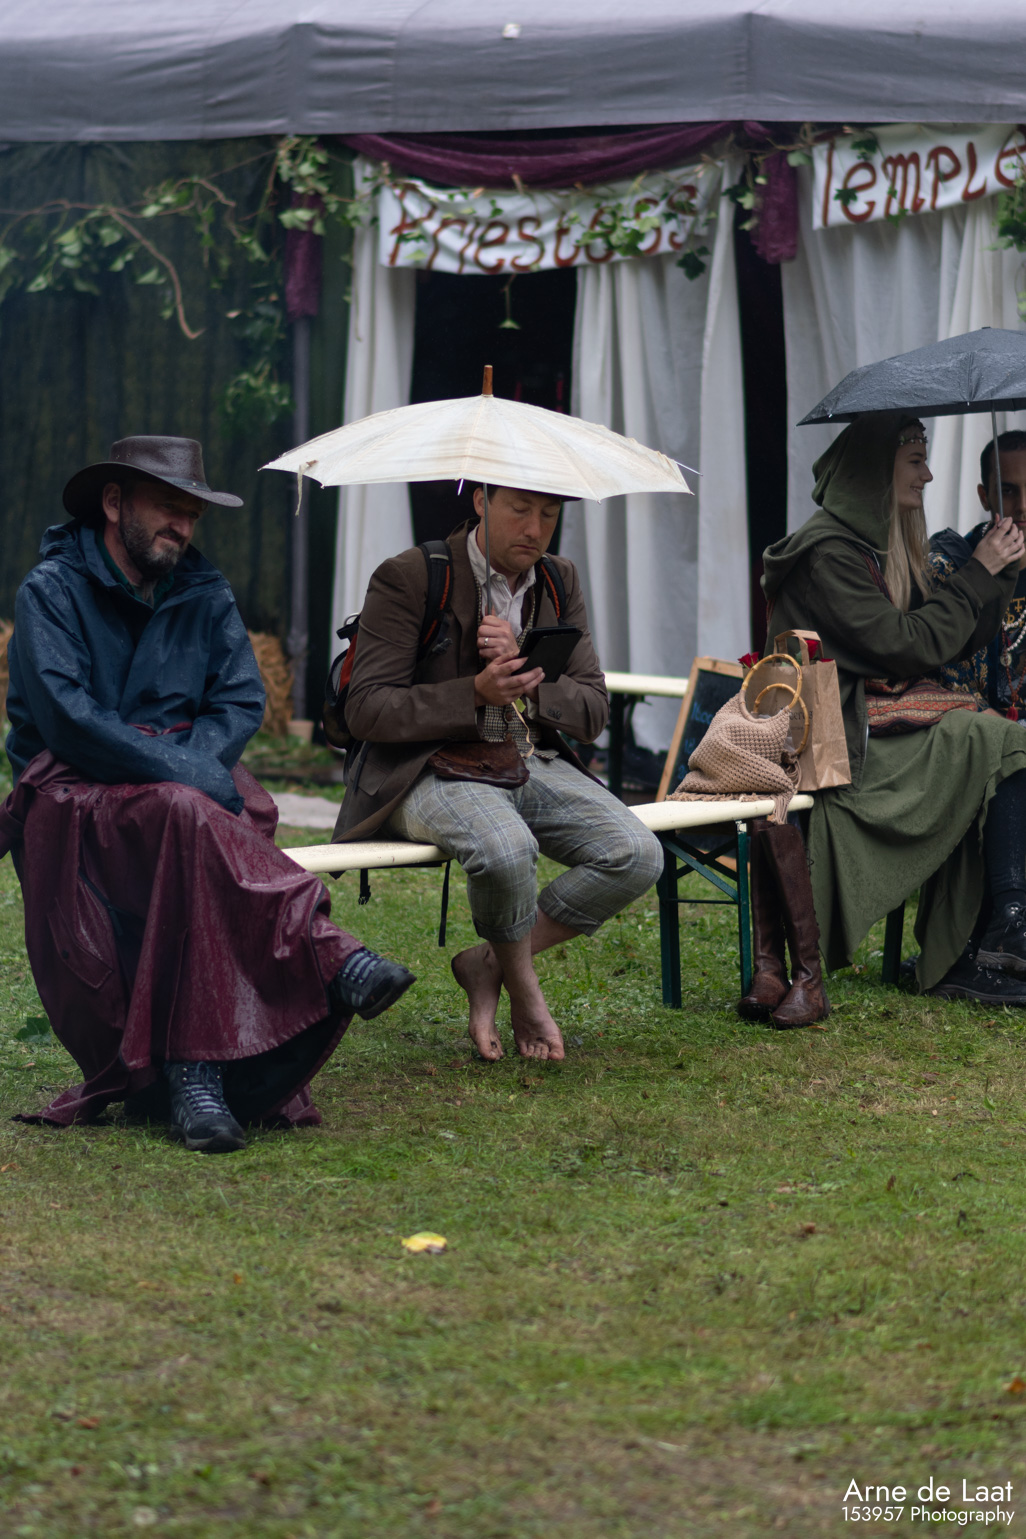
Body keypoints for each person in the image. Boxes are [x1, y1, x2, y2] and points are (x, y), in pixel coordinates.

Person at [0, 436, 414, 1152]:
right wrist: (182, 774)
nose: (183, 526)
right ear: (114, 502)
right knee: (190, 811)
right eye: (169, 507)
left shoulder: (205, 590)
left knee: (197, 819)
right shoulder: (50, 591)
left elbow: (239, 699)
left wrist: (186, 768)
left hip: (182, 794)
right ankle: (325, 952)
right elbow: (69, 721)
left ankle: (197, 1074)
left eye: (192, 513)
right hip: (74, 793)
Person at [333, 484, 664, 1061]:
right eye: (520, 509)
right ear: (481, 501)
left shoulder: (558, 579)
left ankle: (487, 964)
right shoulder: (411, 575)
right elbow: (366, 709)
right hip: (424, 766)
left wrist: (527, 677)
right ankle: (526, 993)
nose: (535, 529)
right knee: (506, 848)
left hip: (522, 756)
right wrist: (475, 692)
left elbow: (592, 711)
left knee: (635, 853)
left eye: (549, 514)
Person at [761, 411, 1026, 1004]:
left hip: (873, 724)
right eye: (915, 461)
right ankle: (1002, 932)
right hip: (841, 744)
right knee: (1000, 745)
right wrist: (978, 571)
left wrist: (999, 573)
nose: (927, 475)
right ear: (877, 469)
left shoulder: (869, 545)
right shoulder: (829, 553)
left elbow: (953, 638)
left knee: (991, 745)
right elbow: (905, 648)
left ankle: (977, 949)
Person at [929, 430, 1026, 716]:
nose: (1023, 505)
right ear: (985, 497)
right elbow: (942, 673)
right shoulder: (950, 567)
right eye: (1008, 491)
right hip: (978, 730)